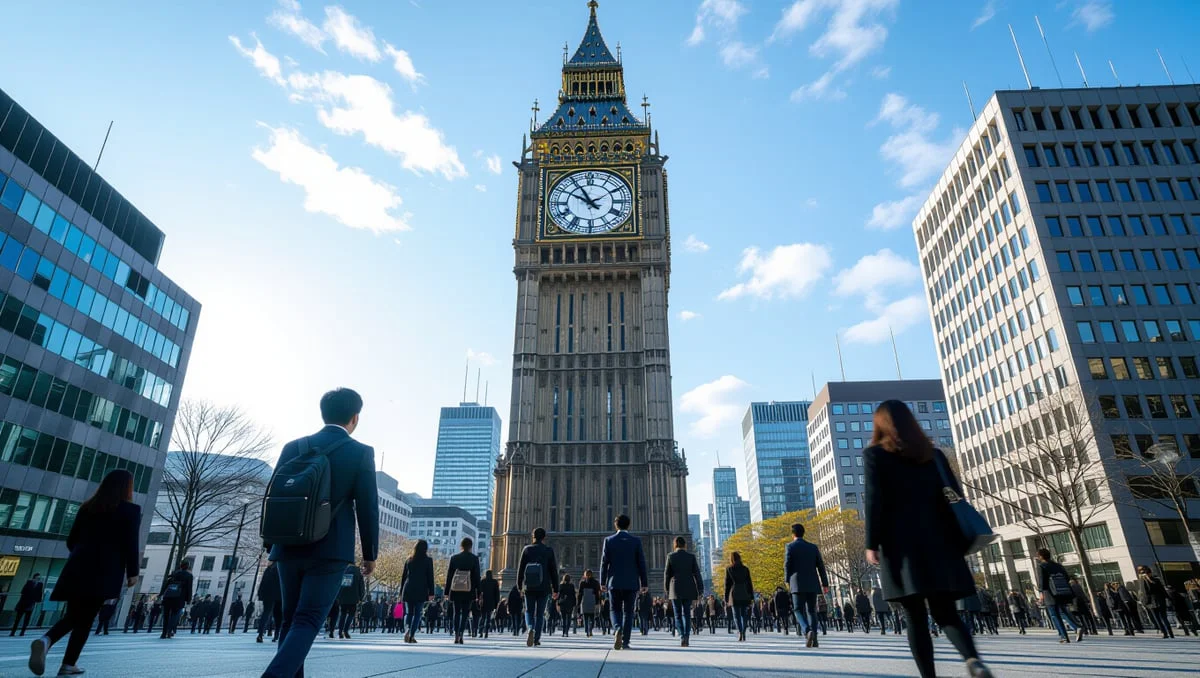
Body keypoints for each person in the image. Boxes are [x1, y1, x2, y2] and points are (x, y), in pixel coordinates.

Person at [863, 400, 992, 678]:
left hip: (902, 547)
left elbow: (875, 500)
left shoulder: (876, 455)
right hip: (941, 542)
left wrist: (871, 543)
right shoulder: (933, 455)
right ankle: (972, 658)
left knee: (915, 617)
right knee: (946, 612)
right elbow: (955, 493)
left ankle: (929, 676)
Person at [262, 388, 380, 678]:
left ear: (323, 413)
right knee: (309, 619)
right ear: (355, 417)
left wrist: (270, 544)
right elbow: (368, 508)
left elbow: (274, 496)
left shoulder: (294, 446)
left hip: (288, 546)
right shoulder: (360, 452)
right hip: (331, 548)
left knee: (290, 621)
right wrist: (370, 555)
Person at [28, 470, 140, 677]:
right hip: (105, 570)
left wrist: (81, 557)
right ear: (127, 487)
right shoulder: (130, 510)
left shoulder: (88, 507)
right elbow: (131, 543)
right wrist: (133, 571)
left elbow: (72, 540)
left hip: (77, 566)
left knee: (79, 615)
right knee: (84, 616)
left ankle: (69, 663)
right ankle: (47, 641)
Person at [600, 514, 648, 651]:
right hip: (632, 583)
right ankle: (625, 641)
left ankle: (617, 629)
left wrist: (602, 582)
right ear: (629, 525)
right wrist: (644, 583)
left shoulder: (609, 540)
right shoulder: (636, 541)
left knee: (614, 609)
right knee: (628, 612)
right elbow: (641, 563)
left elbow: (604, 563)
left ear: (616, 525)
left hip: (614, 582)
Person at [784, 522, 829, 647]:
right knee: (812, 610)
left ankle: (807, 630)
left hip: (796, 583)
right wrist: (825, 583)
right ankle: (814, 636)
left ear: (793, 534)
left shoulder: (790, 547)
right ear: (803, 533)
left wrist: (787, 580)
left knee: (798, 609)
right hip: (812, 583)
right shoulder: (813, 547)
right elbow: (821, 566)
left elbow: (787, 565)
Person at [517, 526, 559, 647]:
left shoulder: (527, 550)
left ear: (533, 536)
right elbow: (553, 572)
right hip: (544, 587)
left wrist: (519, 586)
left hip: (529, 587)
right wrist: (556, 589)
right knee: (540, 614)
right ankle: (536, 639)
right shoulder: (548, 550)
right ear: (544, 538)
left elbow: (520, 570)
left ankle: (530, 627)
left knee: (529, 611)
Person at [1035, 549, 1083, 643]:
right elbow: (1067, 577)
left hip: (1050, 593)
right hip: (1061, 592)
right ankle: (1077, 627)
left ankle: (1064, 636)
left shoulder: (1042, 566)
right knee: (1063, 611)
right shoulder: (1058, 565)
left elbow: (1042, 582)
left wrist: (1040, 591)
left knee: (1054, 615)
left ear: (1041, 556)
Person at [664, 536, 704, 648]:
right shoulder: (691, 557)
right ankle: (687, 636)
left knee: (677, 615)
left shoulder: (670, 556)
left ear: (675, 545)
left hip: (675, 588)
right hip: (689, 587)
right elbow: (697, 573)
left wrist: (667, 589)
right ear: (684, 545)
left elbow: (667, 575)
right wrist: (700, 589)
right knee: (687, 614)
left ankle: (682, 636)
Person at [445, 537, 481, 644]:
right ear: (470, 547)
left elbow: (449, 576)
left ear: (461, 546)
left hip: (455, 589)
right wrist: (478, 592)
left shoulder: (454, 558)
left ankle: (456, 634)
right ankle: (461, 634)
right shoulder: (474, 559)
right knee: (465, 613)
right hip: (468, 589)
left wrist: (447, 592)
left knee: (456, 612)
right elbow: (477, 576)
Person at [400, 539, 435, 643]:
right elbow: (430, 577)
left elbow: (403, 577)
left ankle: (407, 630)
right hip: (421, 589)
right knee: (417, 614)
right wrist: (431, 592)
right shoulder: (428, 560)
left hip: (408, 588)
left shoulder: (409, 560)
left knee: (409, 613)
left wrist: (401, 592)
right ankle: (412, 635)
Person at [722, 552, 754, 642]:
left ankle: (740, 632)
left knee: (736, 615)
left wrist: (726, 598)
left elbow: (727, 585)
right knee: (744, 614)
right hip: (744, 592)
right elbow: (749, 583)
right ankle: (743, 631)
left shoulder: (729, 569)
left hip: (734, 593)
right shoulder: (745, 569)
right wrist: (751, 596)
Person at [1136, 565, 1173, 638]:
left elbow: (1146, 592)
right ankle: (1168, 633)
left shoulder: (1145, 581)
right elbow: (1162, 590)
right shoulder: (1155, 580)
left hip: (1152, 602)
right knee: (1162, 618)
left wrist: (1144, 602)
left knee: (1160, 618)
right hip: (1158, 601)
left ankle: (1166, 633)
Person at [159, 561, 194, 639]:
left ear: (180, 566)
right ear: (187, 567)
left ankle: (164, 632)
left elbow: (166, 584)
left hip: (168, 597)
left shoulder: (174, 574)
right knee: (175, 615)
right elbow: (189, 588)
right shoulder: (189, 576)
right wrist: (188, 599)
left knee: (166, 615)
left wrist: (161, 594)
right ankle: (169, 630)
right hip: (179, 598)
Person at [336, 564, 365, 639]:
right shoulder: (358, 574)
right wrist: (361, 598)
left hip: (343, 598)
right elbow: (361, 587)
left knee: (343, 614)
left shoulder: (343, 572)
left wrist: (338, 597)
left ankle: (340, 630)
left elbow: (338, 584)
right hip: (354, 598)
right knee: (351, 615)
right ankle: (346, 630)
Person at [256, 562, 280, 643]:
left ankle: (260, 633)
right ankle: (276, 635)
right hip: (278, 595)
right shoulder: (282, 568)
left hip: (267, 595)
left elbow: (263, 582)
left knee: (266, 613)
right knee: (278, 616)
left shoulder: (268, 569)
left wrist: (260, 594)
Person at [578, 569, 601, 637]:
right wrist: (597, 602)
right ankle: (590, 629)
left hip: (584, 600)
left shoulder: (582, 583)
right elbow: (597, 593)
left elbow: (580, 593)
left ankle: (587, 630)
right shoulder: (595, 582)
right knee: (592, 617)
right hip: (592, 601)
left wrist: (578, 602)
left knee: (585, 617)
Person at [479, 570, 501, 638]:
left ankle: (481, 631)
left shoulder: (482, 581)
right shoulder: (494, 582)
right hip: (491, 602)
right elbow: (497, 594)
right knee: (488, 618)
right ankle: (486, 632)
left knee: (482, 617)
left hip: (483, 602)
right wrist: (496, 603)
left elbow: (479, 592)